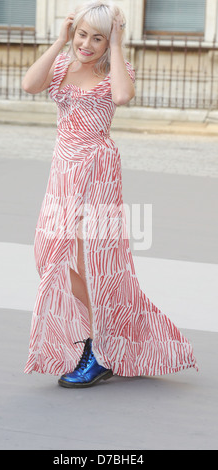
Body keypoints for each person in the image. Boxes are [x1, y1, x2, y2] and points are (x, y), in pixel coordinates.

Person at [22, 0, 198, 388]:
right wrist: (59, 40)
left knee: (93, 264)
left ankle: (97, 350)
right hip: (63, 167)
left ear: (108, 42)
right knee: (47, 252)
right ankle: (102, 337)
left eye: (97, 38)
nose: (87, 44)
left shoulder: (115, 68)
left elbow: (121, 97)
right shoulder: (63, 64)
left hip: (96, 171)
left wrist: (117, 45)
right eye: (83, 34)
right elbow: (29, 84)